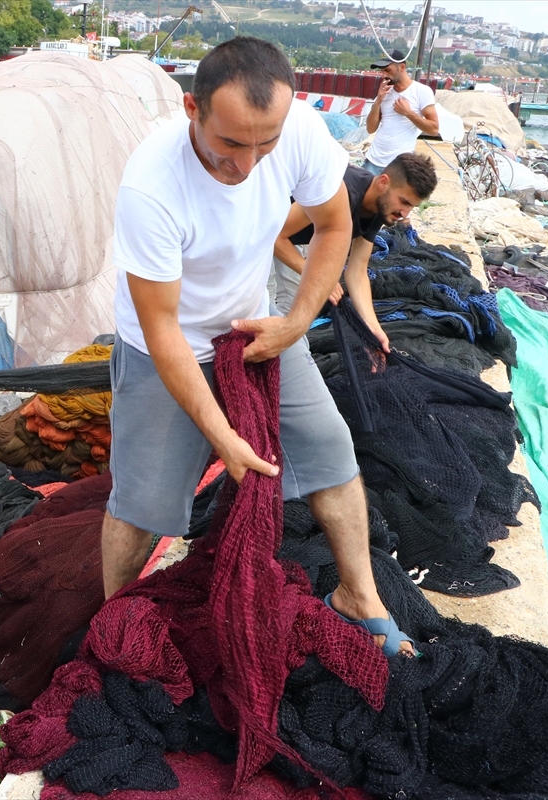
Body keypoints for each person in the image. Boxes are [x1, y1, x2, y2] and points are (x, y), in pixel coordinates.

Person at [104, 37, 415, 657]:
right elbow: (163, 330)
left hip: (259, 327)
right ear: (193, 109)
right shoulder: (151, 188)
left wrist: (297, 322)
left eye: (263, 145)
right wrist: (223, 436)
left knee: (331, 450)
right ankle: (114, 621)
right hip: (166, 346)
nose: (247, 165)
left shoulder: (297, 129)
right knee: (145, 503)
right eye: (230, 145)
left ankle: (361, 596)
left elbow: (334, 224)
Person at [271, 152, 438, 351]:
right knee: (257, 311)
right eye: (404, 202)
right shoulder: (341, 190)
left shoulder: (381, 207)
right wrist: (317, 277)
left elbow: (357, 270)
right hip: (261, 230)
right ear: (384, 182)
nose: (405, 214)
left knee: (296, 317)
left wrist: (373, 328)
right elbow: (274, 236)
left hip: (293, 239)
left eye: (412, 206)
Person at [364, 49, 439, 177]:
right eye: (382, 71)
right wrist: (378, 102)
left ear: (402, 67)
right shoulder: (385, 92)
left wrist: (408, 113)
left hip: (398, 165)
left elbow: (434, 129)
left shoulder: (421, 91)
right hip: (373, 160)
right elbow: (370, 129)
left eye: (388, 70)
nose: (383, 76)